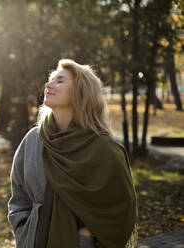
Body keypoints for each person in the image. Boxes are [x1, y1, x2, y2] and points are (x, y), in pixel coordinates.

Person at [7, 59, 138, 248]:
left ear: (81, 91)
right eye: (50, 79)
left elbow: (122, 208)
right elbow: (18, 194)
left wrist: (85, 238)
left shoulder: (104, 148)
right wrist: (24, 228)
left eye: (60, 80)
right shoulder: (34, 140)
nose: (48, 84)